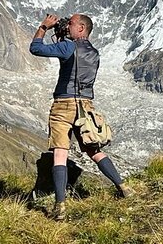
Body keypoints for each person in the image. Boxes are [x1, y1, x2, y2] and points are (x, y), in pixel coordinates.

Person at [30, 13, 134, 220]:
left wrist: (44, 27)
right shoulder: (94, 53)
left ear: (81, 28)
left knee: (60, 154)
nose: (67, 26)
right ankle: (123, 187)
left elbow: (36, 48)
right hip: (85, 106)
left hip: (63, 105)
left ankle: (60, 206)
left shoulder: (68, 47)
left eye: (71, 23)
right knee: (93, 150)